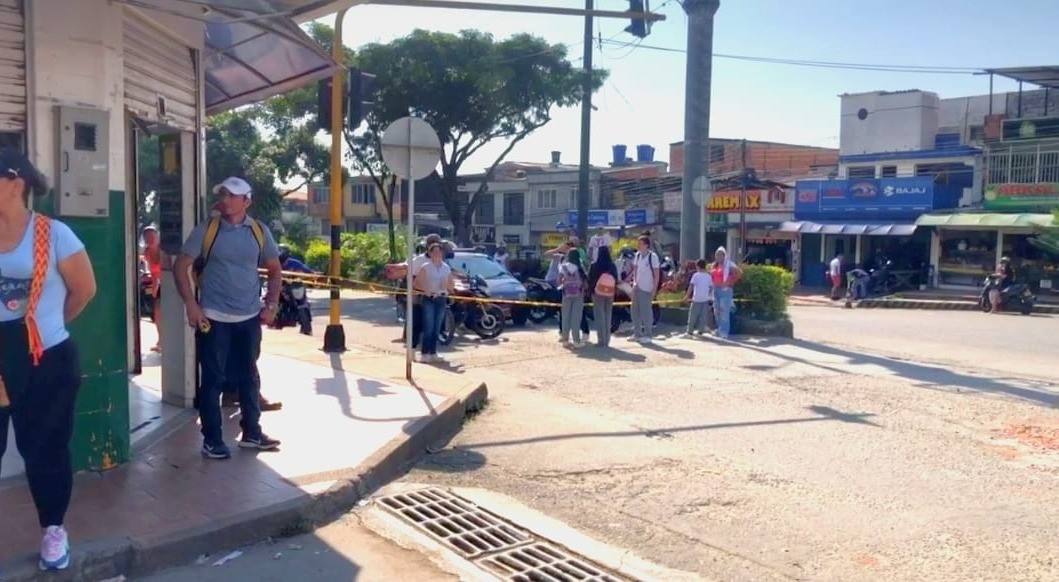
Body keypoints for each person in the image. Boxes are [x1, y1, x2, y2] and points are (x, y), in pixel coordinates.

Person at [0, 149, 97, 571]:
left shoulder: (55, 234)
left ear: (14, 183)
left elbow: (84, 290)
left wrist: (46, 328)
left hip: (46, 358)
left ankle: (53, 529)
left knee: (46, 447)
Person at [174, 176, 282, 459]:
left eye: (232, 196)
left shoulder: (258, 231)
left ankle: (252, 433)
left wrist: (271, 305)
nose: (225, 200)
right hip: (213, 318)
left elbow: (275, 269)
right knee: (213, 380)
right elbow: (181, 266)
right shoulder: (207, 229)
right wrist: (191, 304)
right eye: (223, 194)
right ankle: (212, 440)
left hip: (249, 318)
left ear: (247, 201)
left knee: (249, 377)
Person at [415, 242, 453, 363]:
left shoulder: (446, 268)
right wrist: (426, 290)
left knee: (437, 328)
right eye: (434, 251)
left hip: (441, 299)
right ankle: (425, 353)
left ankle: (433, 352)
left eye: (439, 251)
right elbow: (416, 283)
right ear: (430, 253)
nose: (437, 254)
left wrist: (447, 288)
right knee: (429, 327)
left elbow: (451, 285)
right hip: (429, 299)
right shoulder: (425, 267)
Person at [629, 235, 660, 343]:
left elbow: (656, 275)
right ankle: (637, 333)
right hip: (637, 287)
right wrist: (634, 283)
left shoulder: (653, 257)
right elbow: (635, 271)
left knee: (646, 312)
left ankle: (648, 334)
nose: (638, 245)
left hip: (647, 288)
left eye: (640, 243)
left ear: (646, 245)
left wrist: (654, 289)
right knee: (635, 310)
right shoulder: (637, 256)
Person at [588, 246, 618, 347]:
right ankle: (607, 340)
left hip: (597, 294)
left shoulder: (594, 265)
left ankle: (601, 340)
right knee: (608, 316)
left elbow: (590, 279)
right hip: (610, 293)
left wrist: (592, 291)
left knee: (599, 316)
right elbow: (616, 279)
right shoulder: (612, 265)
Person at [711, 247, 742, 340]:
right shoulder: (714, 265)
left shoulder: (729, 264)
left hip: (725, 290)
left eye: (721, 254)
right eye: (717, 254)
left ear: (724, 255)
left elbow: (739, 273)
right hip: (715, 290)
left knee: (724, 311)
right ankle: (719, 329)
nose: (719, 256)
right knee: (716, 311)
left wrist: (729, 283)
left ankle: (724, 332)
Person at [558, 248, 588, 347]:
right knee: (576, 318)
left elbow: (558, 280)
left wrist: (563, 285)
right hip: (578, 294)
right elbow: (585, 283)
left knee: (565, 316)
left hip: (566, 294)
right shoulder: (580, 266)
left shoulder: (563, 266)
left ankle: (565, 340)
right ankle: (576, 341)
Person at [142, 225, 163, 352]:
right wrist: (155, 288)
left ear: (158, 236)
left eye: (152, 236)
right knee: (157, 314)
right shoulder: (147, 253)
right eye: (147, 237)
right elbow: (153, 273)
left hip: (169, 283)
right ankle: (161, 341)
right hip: (159, 285)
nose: (150, 239)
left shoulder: (163, 250)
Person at [683, 259, 714, 338]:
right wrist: (710, 296)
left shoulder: (696, 275)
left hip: (696, 298)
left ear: (698, 266)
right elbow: (711, 287)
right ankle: (700, 331)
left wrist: (686, 296)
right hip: (705, 299)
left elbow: (691, 286)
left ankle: (689, 332)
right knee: (703, 316)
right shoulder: (708, 276)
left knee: (693, 316)